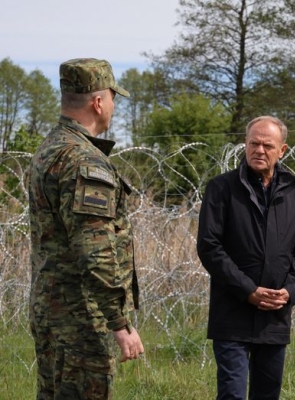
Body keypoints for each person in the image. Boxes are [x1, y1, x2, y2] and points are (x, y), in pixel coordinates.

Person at [28, 58, 144, 400]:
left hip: (51, 309)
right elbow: (94, 250)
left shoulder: (50, 149)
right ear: (98, 102)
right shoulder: (84, 161)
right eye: (112, 98)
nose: (112, 107)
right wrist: (119, 323)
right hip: (81, 317)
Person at [197, 116, 295, 400]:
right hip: (232, 313)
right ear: (245, 144)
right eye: (253, 143)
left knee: (267, 394)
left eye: (267, 145)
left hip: (275, 315)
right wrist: (248, 290)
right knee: (233, 394)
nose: (259, 150)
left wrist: (290, 291)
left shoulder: (292, 193)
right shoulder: (222, 188)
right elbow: (209, 246)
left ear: (282, 150)